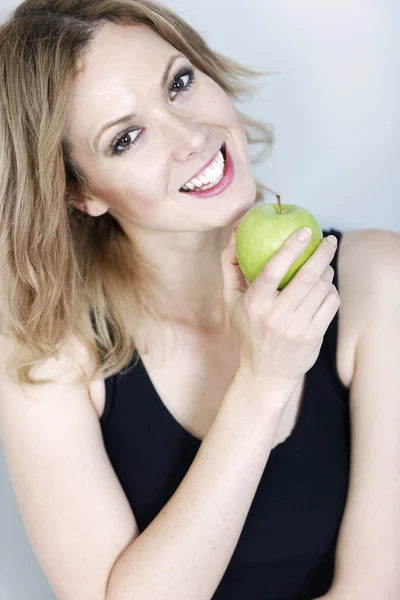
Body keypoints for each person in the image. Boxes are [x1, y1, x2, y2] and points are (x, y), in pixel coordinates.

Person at [0, 1, 399, 599]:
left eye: (179, 84)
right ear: (79, 193)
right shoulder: (43, 351)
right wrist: (261, 385)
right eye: (127, 137)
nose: (192, 137)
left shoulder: (377, 282)